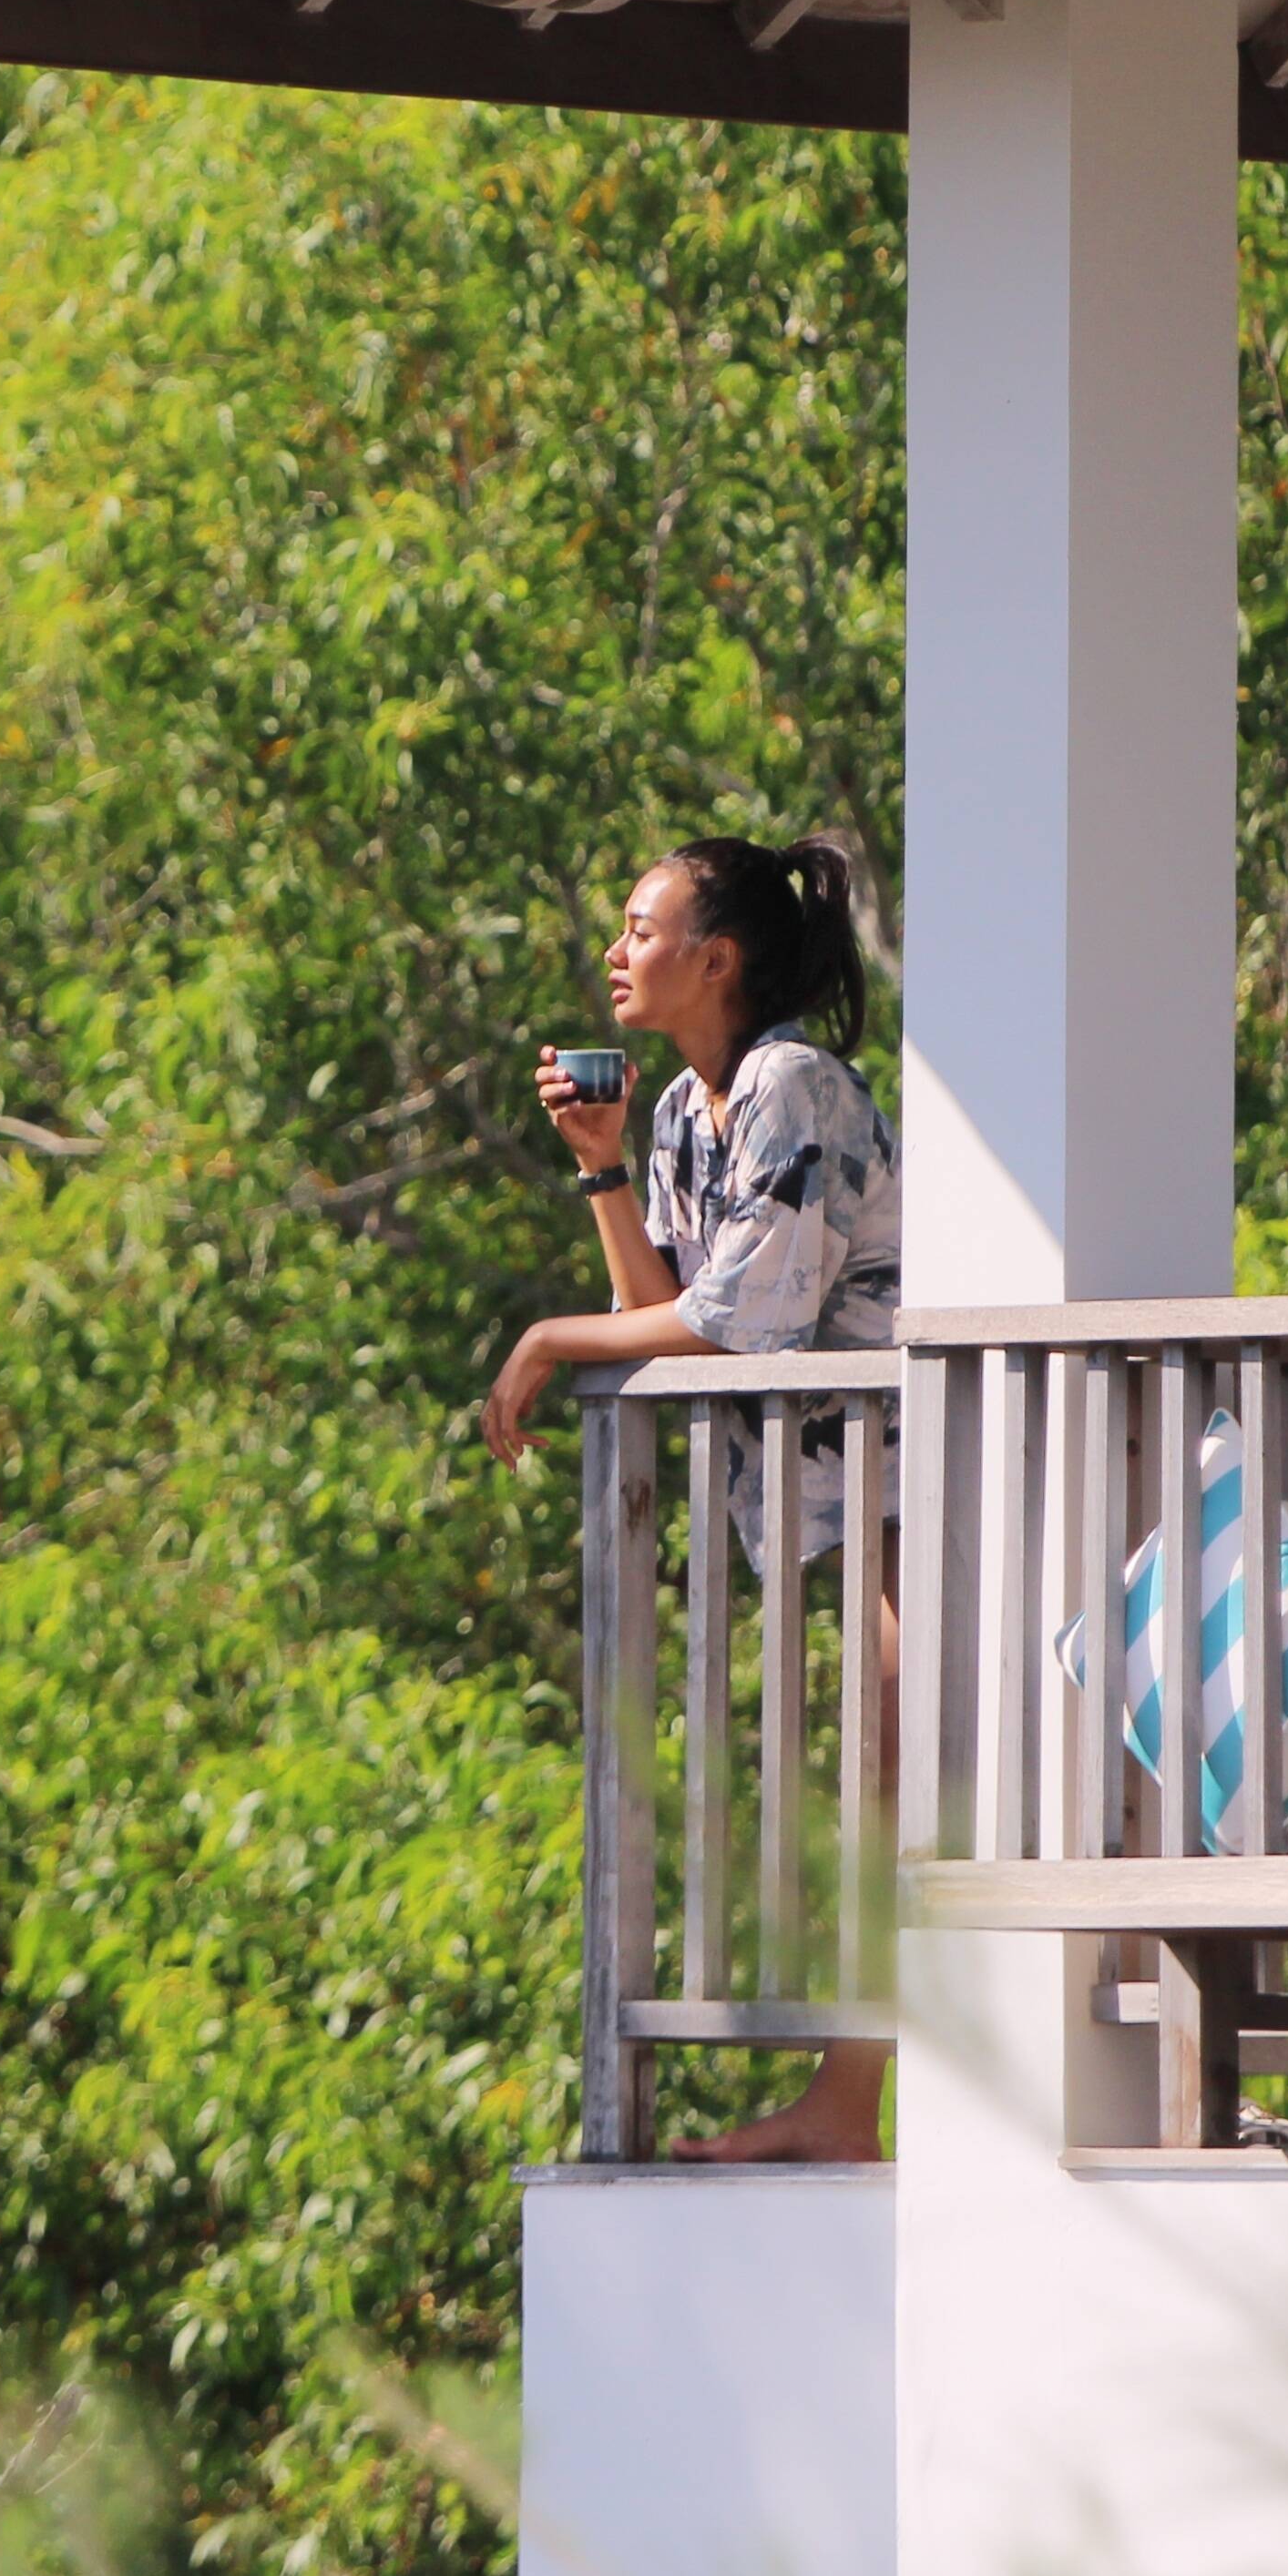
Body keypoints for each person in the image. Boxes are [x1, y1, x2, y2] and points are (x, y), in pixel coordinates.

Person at [479, 832, 903, 2166]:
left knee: (897, 1783)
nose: (616, 949)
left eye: (639, 925)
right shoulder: (676, 1111)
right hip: (837, 1497)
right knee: (882, 1782)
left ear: (714, 958)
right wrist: (602, 1161)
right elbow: (652, 1309)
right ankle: (846, 2101)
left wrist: (544, 1341)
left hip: (922, 1485)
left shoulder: (794, 1085)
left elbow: (736, 1325)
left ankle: (847, 2106)